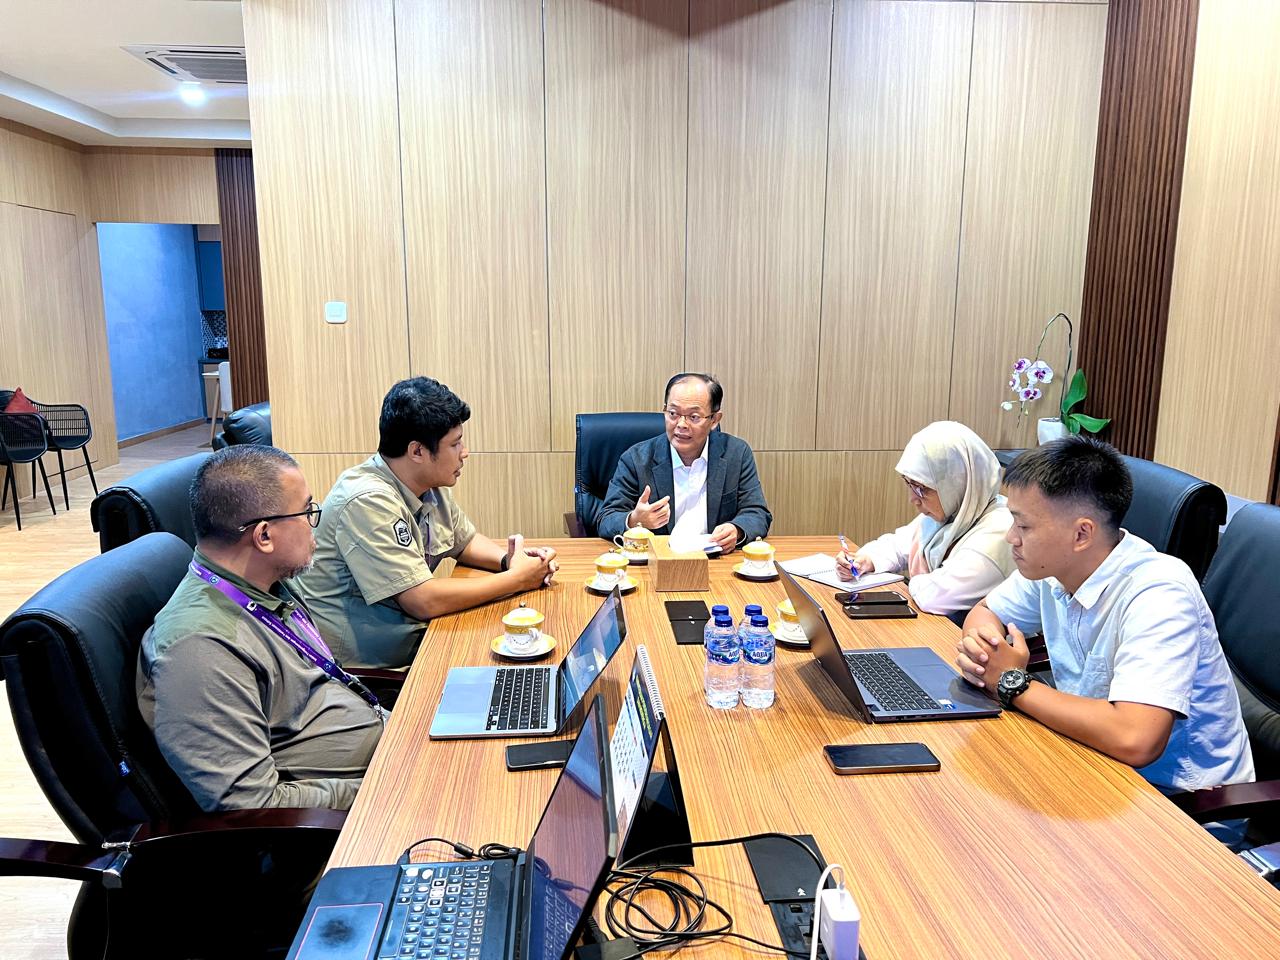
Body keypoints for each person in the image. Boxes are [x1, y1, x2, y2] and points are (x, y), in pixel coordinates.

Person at [956, 435, 1253, 791]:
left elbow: (1136, 739)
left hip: (1178, 799)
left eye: (1024, 526)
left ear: (1082, 534)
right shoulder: (1052, 567)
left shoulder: (1159, 593)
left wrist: (1012, 682)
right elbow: (986, 611)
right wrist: (985, 654)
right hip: (1089, 760)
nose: (1011, 538)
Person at [138, 446, 384, 812]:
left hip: (387, 754)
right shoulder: (201, 650)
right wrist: (383, 789)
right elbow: (251, 804)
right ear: (264, 536)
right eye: (307, 511)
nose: (314, 523)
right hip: (352, 813)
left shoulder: (266, 584)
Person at [292, 377, 557, 669]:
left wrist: (511, 560)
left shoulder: (427, 483)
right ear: (417, 451)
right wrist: (517, 579)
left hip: (418, 638)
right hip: (369, 670)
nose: (465, 452)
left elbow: (464, 541)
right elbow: (422, 601)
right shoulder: (366, 499)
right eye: (455, 444)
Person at [836, 421, 1015, 615]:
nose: (913, 499)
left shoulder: (999, 531)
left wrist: (911, 581)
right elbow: (898, 545)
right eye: (909, 484)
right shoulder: (957, 511)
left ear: (957, 482)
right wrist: (864, 560)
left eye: (921, 488)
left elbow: (936, 597)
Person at [597, 373, 771, 552]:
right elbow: (606, 518)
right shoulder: (636, 459)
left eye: (693, 416)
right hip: (659, 560)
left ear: (714, 420)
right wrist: (635, 520)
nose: (681, 424)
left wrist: (737, 530)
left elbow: (757, 513)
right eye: (673, 413)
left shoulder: (736, 454)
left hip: (716, 561)